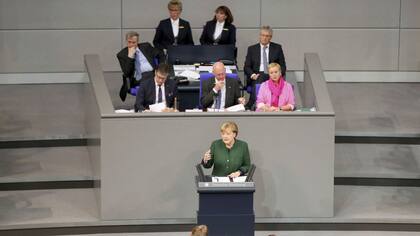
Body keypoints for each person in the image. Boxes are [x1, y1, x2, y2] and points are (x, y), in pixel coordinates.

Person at [244, 26, 287, 110]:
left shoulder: (277, 48)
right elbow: (247, 66)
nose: (264, 38)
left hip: (273, 74)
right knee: (260, 77)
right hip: (257, 75)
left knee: (263, 78)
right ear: (259, 36)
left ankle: (250, 104)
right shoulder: (252, 49)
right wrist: (252, 75)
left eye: (267, 36)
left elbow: (283, 65)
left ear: (270, 37)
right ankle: (257, 105)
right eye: (262, 35)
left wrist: (278, 74)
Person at [117, 31, 164, 101]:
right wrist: (130, 57)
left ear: (137, 42)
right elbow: (127, 73)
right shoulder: (122, 55)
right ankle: (147, 105)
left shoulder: (146, 46)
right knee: (150, 85)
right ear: (126, 41)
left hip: (152, 73)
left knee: (167, 81)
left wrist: (160, 69)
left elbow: (160, 54)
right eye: (129, 42)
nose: (131, 45)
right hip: (138, 78)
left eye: (134, 42)